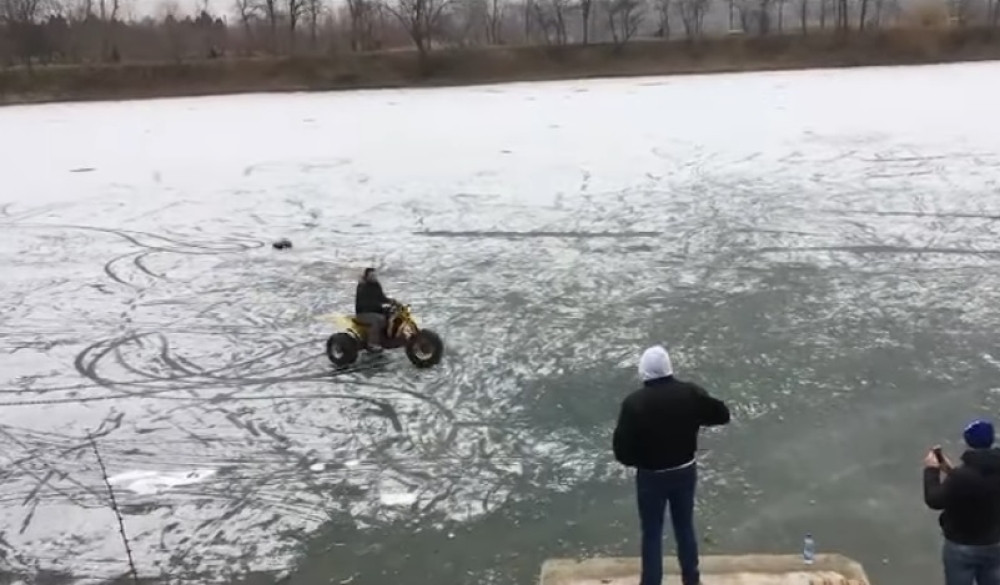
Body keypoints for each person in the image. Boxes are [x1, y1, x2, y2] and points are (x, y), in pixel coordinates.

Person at [613, 345, 731, 585]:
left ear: (643, 371)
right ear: (669, 367)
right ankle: (691, 579)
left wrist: (641, 460)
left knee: (652, 534)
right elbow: (722, 414)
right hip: (685, 471)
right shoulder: (690, 393)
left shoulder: (634, 403)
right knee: (684, 527)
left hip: (651, 477)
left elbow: (621, 452)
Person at [924, 419, 1000, 585]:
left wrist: (932, 470)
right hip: (994, 543)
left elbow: (934, 500)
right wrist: (951, 472)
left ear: (968, 442)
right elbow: (981, 487)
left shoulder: (962, 477)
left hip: (961, 545)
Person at [355, 267, 393, 349]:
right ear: (367, 276)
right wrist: (378, 307)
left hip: (375, 311)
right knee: (376, 320)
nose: (374, 277)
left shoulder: (376, 285)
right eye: (371, 275)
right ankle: (372, 343)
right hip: (363, 313)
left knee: (388, 317)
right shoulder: (362, 286)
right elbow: (365, 303)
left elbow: (381, 298)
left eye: (375, 275)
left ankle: (385, 339)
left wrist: (392, 301)